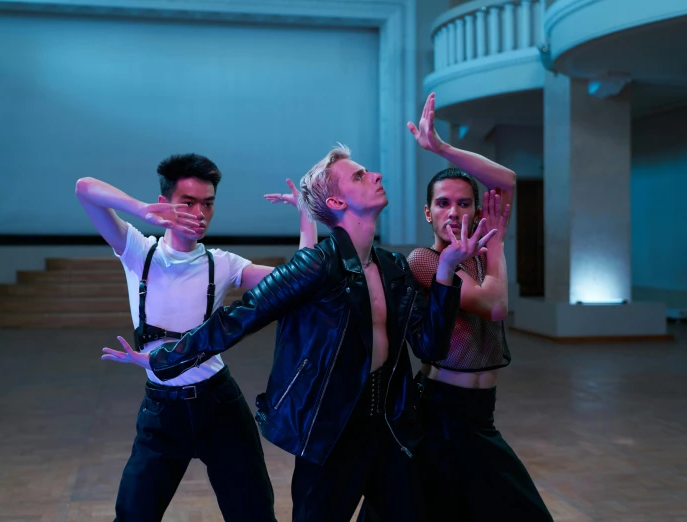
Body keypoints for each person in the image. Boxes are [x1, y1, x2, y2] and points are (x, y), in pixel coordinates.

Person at [101, 143, 498, 522]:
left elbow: (430, 346)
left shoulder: (394, 268)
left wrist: (445, 275)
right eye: (360, 176)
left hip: (391, 430)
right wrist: (165, 359)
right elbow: (239, 318)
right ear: (338, 203)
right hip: (330, 435)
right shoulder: (315, 266)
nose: (375, 175)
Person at [75, 154, 315, 522]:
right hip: (161, 411)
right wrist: (141, 210)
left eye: (208, 203)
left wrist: (306, 216)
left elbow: (298, 283)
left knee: (252, 512)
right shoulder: (139, 251)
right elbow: (85, 188)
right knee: (133, 512)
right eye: (188, 203)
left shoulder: (223, 263)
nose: (199, 213)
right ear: (167, 202)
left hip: (219, 405)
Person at [360, 92, 553, 521]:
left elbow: (507, 181)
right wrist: (499, 244)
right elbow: (495, 306)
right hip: (441, 413)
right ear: (427, 213)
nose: (453, 211)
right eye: (443, 203)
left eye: (464, 202)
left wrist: (442, 149)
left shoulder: (481, 257)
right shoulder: (425, 261)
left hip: (480, 412)